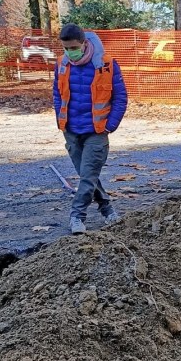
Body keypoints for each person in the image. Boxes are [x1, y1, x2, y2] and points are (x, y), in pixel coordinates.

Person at [53, 22, 128, 234]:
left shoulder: (107, 65)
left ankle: (77, 216)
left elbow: (120, 97)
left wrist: (110, 126)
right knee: (89, 176)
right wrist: (60, 120)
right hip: (71, 130)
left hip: (97, 131)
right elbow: (57, 95)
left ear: (85, 44)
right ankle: (107, 209)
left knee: (87, 176)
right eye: (66, 48)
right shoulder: (61, 64)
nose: (70, 52)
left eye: (73, 48)